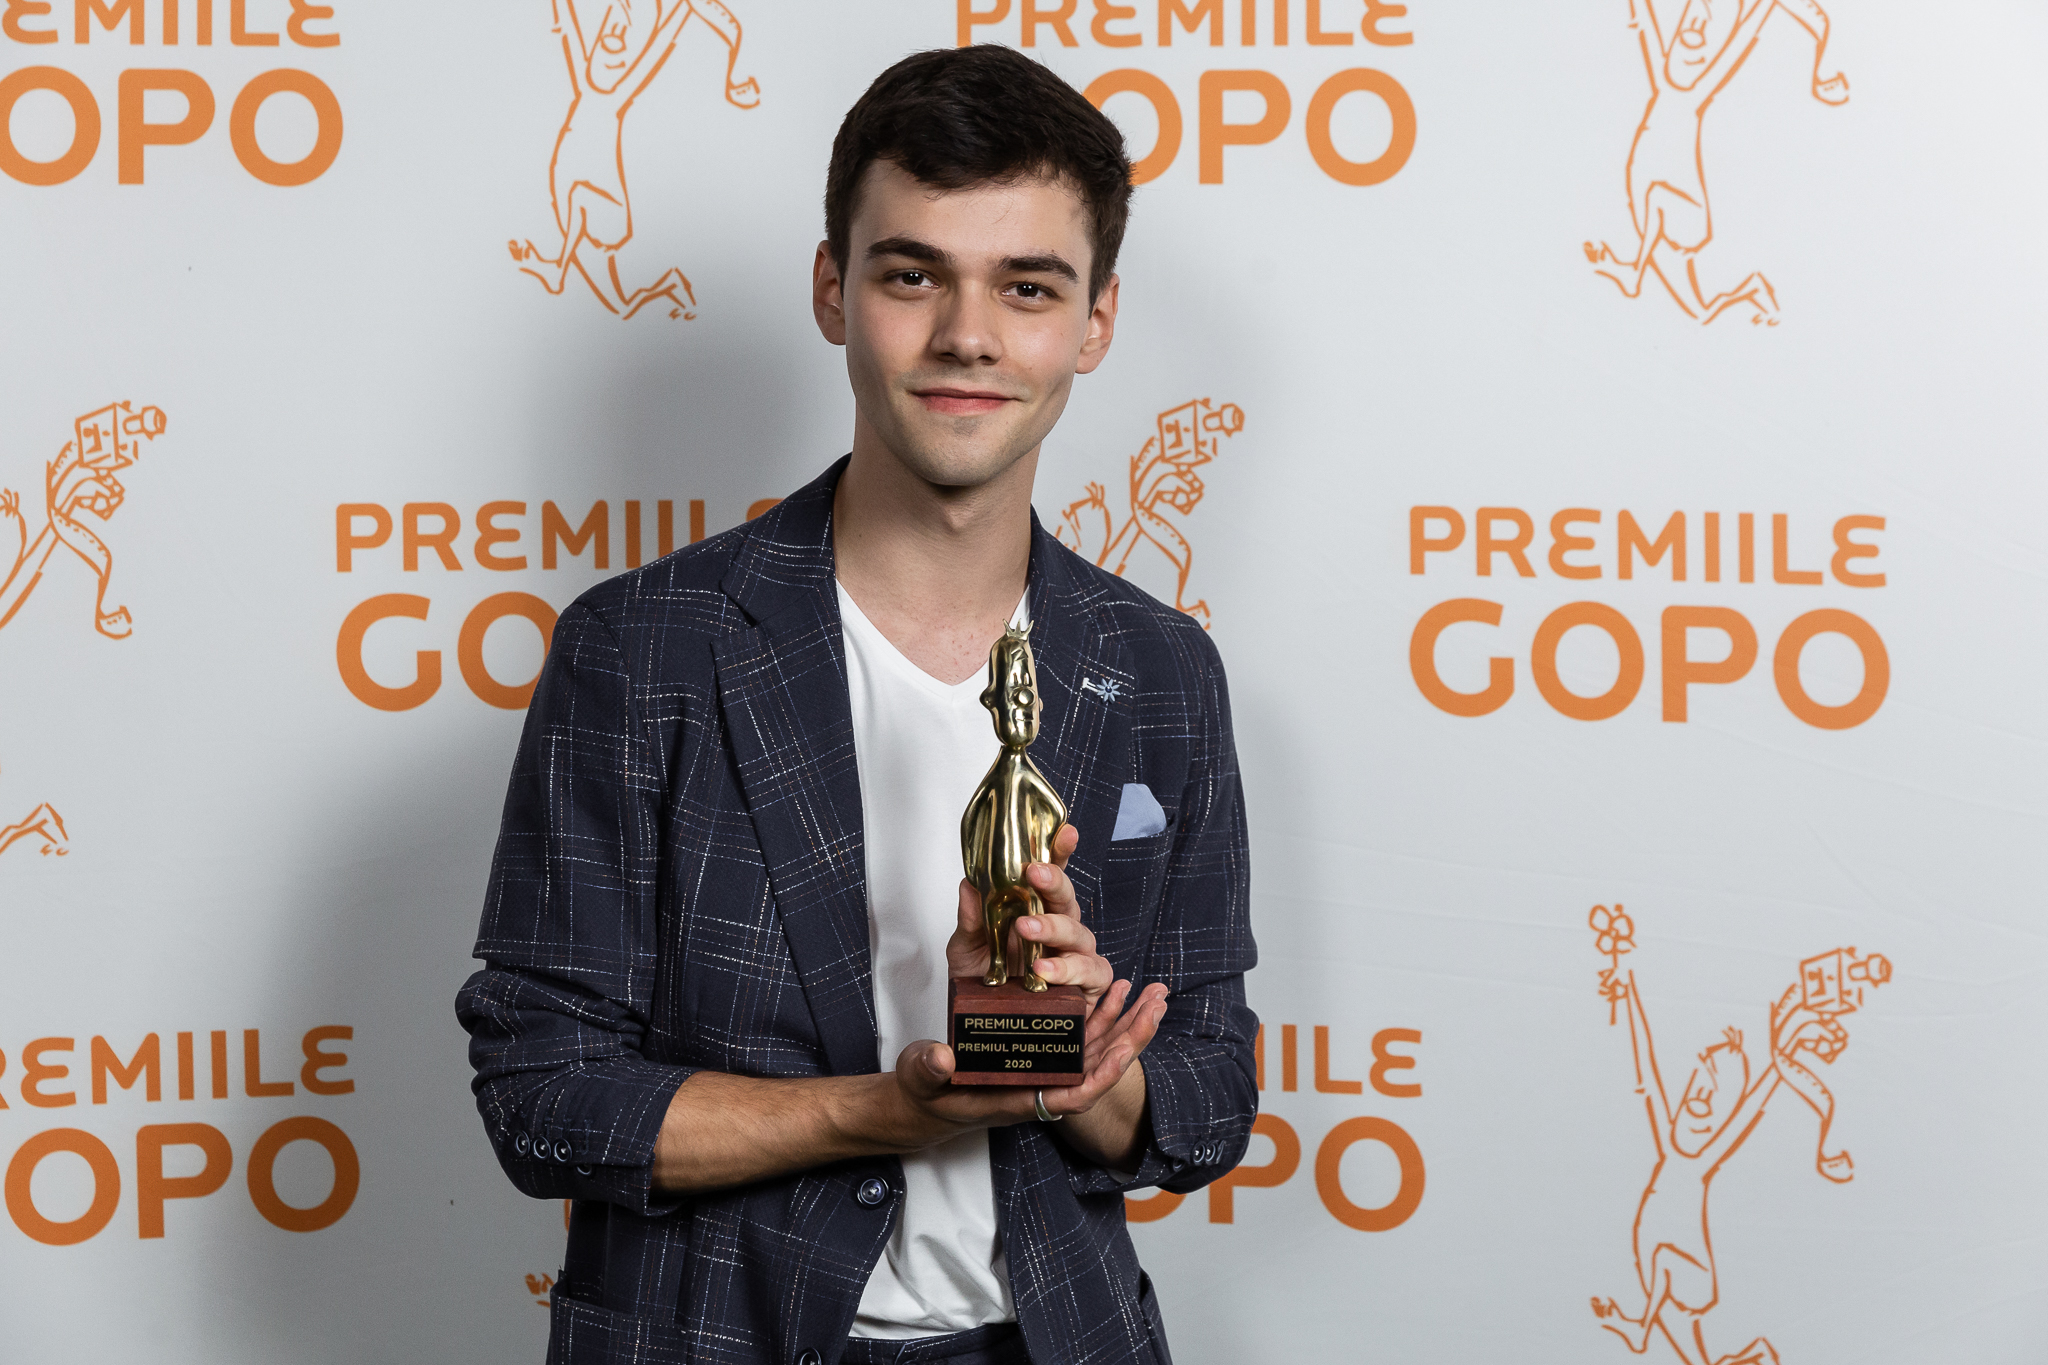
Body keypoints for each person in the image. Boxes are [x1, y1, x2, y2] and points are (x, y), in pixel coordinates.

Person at [458, 45, 1258, 1365]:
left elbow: (1212, 1091)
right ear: (834, 289)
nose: (967, 335)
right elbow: (542, 1096)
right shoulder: (639, 648)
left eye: (1028, 286)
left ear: (1096, 321)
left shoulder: (1162, 668)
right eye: (912, 274)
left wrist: (1079, 1072)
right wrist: (881, 1113)